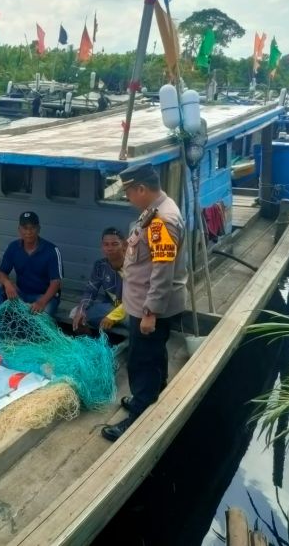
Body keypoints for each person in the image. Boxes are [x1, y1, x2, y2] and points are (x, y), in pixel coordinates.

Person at [101, 163, 187, 442]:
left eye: (128, 192)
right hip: (141, 303)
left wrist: (150, 312)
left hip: (149, 307)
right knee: (153, 355)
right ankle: (152, 393)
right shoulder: (154, 212)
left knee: (141, 360)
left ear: (141, 188)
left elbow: (162, 271)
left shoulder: (162, 220)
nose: (127, 198)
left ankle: (138, 415)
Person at [0, 211, 63, 317]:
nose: (28, 232)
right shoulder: (13, 247)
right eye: (25, 228)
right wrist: (8, 283)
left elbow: (56, 282)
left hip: (44, 296)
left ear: (39, 229)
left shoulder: (52, 250)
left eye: (32, 227)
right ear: (19, 230)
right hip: (21, 294)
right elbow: (1, 273)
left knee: (42, 319)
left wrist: (42, 302)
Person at [71, 227, 126, 331]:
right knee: (77, 315)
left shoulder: (133, 266)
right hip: (110, 307)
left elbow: (136, 300)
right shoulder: (100, 265)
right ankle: (90, 344)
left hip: (130, 310)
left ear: (124, 245)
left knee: (137, 322)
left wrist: (113, 317)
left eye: (115, 244)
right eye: (106, 244)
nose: (110, 248)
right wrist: (81, 309)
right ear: (102, 246)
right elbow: (90, 291)